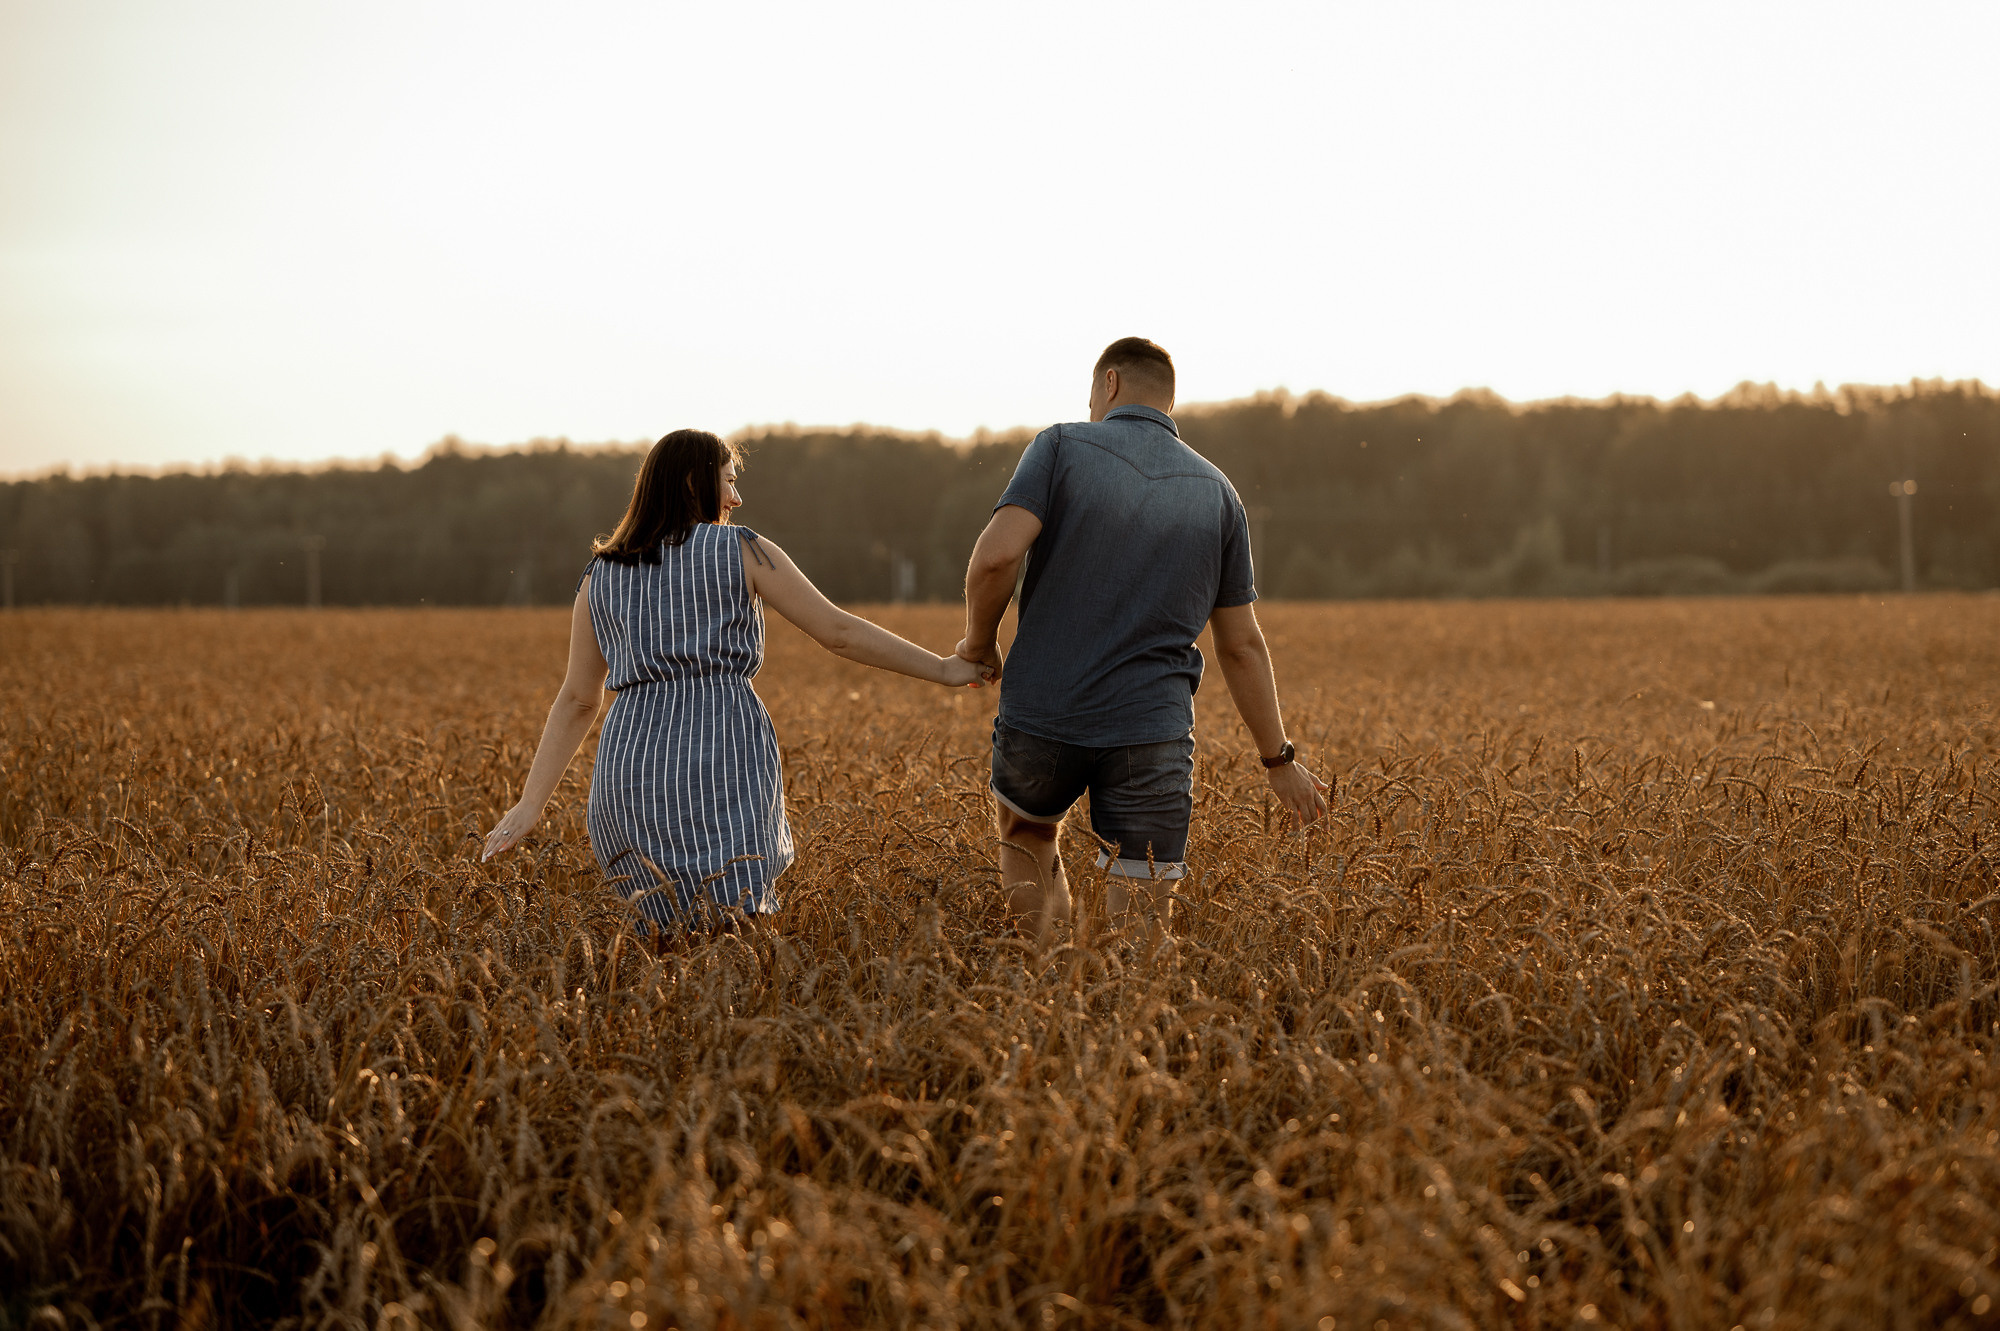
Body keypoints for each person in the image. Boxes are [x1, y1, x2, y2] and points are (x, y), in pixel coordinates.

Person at [483, 428, 987, 932]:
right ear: (690, 482)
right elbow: (838, 632)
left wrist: (531, 805)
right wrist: (942, 669)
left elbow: (576, 699)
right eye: (728, 480)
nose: (737, 497)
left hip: (629, 774)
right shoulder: (741, 549)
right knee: (739, 937)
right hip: (721, 759)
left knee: (659, 949)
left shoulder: (601, 573)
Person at [956, 337, 1328, 944]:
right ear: (1169, 399)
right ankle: (1126, 1023)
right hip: (1151, 730)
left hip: (1043, 711)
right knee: (1143, 915)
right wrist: (1277, 759)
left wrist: (980, 642)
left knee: (1029, 835)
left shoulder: (1061, 445)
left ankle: (1048, 999)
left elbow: (996, 559)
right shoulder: (1218, 493)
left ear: (1109, 384)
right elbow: (1242, 646)